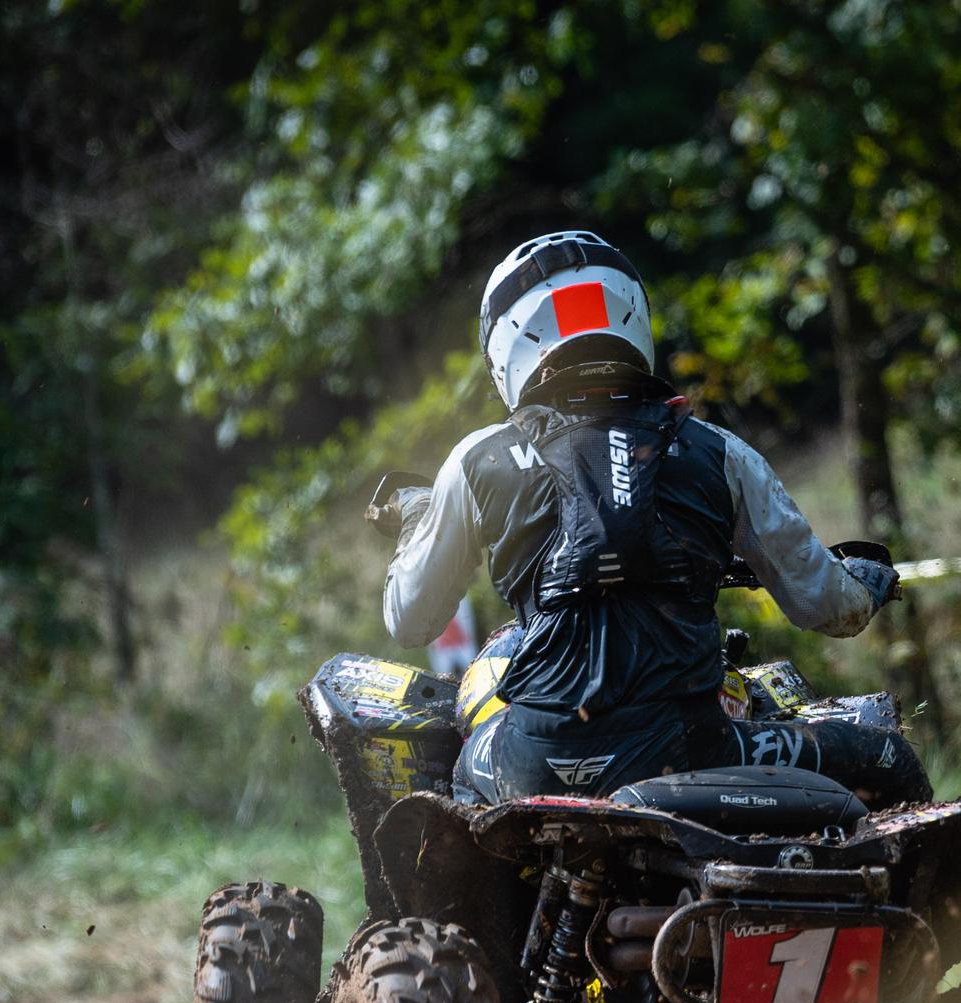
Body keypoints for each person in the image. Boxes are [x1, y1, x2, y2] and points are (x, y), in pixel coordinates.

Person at [375, 230, 928, 808]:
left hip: (532, 760)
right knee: (888, 756)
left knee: (447, 773)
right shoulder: (718, 450)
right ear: (631, 315)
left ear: (505, 347)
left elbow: (410, 620)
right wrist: (865, 580)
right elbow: (828, 608)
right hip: (692, 751)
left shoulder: (478, 459)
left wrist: (416, 521)